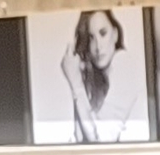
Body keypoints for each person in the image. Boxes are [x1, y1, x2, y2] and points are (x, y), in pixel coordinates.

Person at [61, 9, 146, 143]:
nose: (98, 46)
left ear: (115, 34)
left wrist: (75, 82)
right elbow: (80, 138)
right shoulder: (96, 78)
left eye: (103, 33)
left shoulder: (124, 62)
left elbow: (101, 139)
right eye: (90, 38)